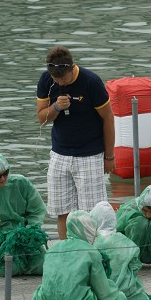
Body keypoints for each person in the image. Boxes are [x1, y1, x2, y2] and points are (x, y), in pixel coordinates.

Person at [35, 46, 115, 240]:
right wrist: (56, 107)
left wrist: (109, 156)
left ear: (72, 68)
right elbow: (41, 118)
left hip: (89, 154)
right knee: (62, 211)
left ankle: (94, 255)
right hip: (60, 154)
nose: (60, 82)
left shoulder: (91, 82)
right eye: (56, 79)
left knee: (91, 213)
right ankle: (66, 252)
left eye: (64, 78)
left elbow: (108, 119)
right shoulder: (47, 80)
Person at [31, 211, 128, 300]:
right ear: (87, 229)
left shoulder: (55, 247)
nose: (95, 234)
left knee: (55, 288)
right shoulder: (91, 252)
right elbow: (104, 291)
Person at [0, 151, 47, 275]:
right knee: (8, 268)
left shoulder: (21, 183)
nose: (2, 178)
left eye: (5, 173)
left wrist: (31, 228)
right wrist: (0, 238)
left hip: (24, 233)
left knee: (44, 266)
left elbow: (38, 209)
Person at [89, 201, 151, 300]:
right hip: (127, 288)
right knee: (140, 297)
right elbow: (135, 265)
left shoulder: (94, 243)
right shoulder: (124, 240)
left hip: (103, 289)